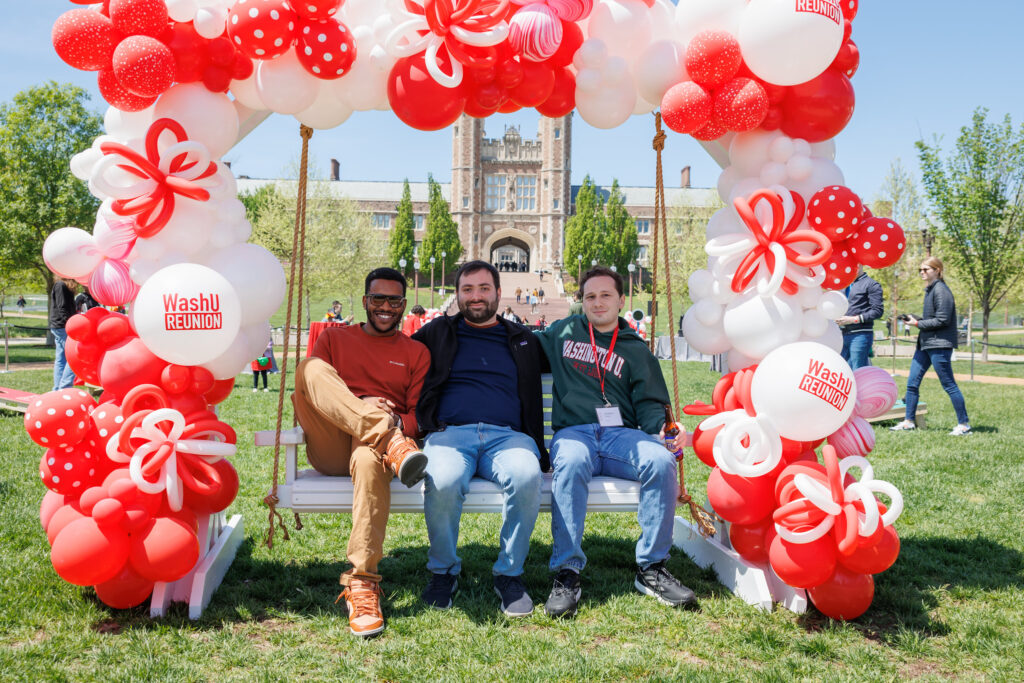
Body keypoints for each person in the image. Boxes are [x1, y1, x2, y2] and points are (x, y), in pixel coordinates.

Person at [534, 266, 694, 618]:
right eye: (590, 296)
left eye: (606, 295)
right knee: (572, 461)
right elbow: (521, 347)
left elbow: (651, 404)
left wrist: (669, 432)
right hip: (574, 432)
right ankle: (567, 572)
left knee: (660, 461)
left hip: (622, 436)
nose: (598, 302)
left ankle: (651, 568)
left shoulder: (636, 350)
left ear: (622, 300)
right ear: (582, 302)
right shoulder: (563, 332)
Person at [292, 268, 430, 637]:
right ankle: (385, 436)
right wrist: (364, 406)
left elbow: (418, 418)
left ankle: (363, 583)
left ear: (404, 305)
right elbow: (314, 390)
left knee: (370, 460)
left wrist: (395, 420)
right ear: (365, 300)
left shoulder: (416, 352)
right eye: (377, 299)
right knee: (309, 367)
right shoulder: (334, 339)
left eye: (394, 300)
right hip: (332, 443)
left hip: (373, 453)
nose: (385, 307)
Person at [412, 260, 547, 617]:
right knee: (441, 479)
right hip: (451, 435)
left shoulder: (523, 339)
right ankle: (443, 572)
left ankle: (509, 574)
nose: (476, 296)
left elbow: (573, 357)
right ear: (456, 295)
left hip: (508, 437)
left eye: (484, 288)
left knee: (526, 476)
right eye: (468, 289)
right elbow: (394, 355)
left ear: (499, 293)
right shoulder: (436, 332)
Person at [891, 257, 971, 436]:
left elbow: (943, 320)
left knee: (949, 385)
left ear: (938, 271)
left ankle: (964, 425)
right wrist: (915, 318)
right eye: (920, 269)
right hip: (926, 344)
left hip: (939, 345)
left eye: (926, 269)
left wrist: (918, 324)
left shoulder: (941, 290)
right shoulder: (931, 290)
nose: (922, 272)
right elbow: (933, 318)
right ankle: (908, 422)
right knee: (912, 383)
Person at [836, 267, 883, 370]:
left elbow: (878, 311)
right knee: (842, 370)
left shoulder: (871, 284)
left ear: (861, 263)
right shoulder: (842, 285)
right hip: (842, 334)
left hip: (860, 335)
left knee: (857, 371)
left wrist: (853, 319)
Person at [49, 278, 78, 391]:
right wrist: (71, 324)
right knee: (73, 357)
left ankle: (58, 389)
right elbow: (62, 307)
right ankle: (64, 387)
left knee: (61, 358)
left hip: (60, 325)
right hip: (63, 326)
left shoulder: (62, 285)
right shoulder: (60, 285)